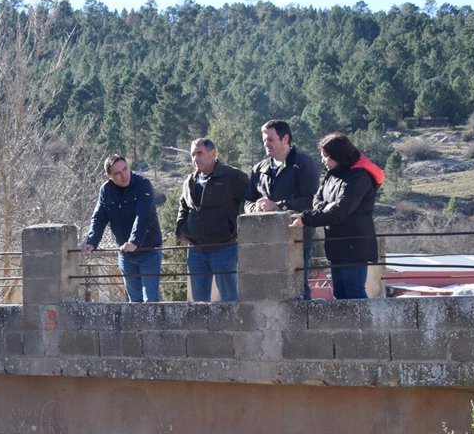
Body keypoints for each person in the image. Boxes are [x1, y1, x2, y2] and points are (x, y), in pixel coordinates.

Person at [290, 132, 384, 300]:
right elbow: (316, 200)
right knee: (339, 294)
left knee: (354, 294)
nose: (323, 160)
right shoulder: (332, 174)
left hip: (354, 247)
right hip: (337, 246)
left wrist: (305, 218)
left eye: (327, 156)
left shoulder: (359, 177)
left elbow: (340, 212)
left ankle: (364, 319)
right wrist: (328, 206)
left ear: (339, 155)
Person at [245, 120, 320, 299]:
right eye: (264, 140)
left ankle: (303, 317)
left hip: (297, 237)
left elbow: (311, 200)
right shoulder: (258, 169)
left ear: (285, 139)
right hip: (265, 238)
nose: (266, 144)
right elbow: (247, 200)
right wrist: (255, 207)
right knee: (268, 289)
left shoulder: (304, 164)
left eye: (270, 139)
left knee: (298, 288)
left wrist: (279, 206)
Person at [175, 138, 249, 302]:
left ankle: (233, 321)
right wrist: (180, 229)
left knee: (230, 299)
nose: (195, 158)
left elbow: (250, 200)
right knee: (199, 302)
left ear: (213, 153)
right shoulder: (190, 181)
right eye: (193, 154)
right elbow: (184, 206)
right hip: (196, 250)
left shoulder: (232, 176)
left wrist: (239, 229)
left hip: (224, 247)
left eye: (199, 153)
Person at [82, 155, 164, 302]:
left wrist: (134, 241)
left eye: (125, 169)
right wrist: (92, 241)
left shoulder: (143, 184)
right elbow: (99, 218)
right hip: (125, 255)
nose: (124, 175)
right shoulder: (106, 190)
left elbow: (143, 216)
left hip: (148, 251)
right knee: (134, 302)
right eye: (117, 173)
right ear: (108, 176)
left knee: (150, 301)